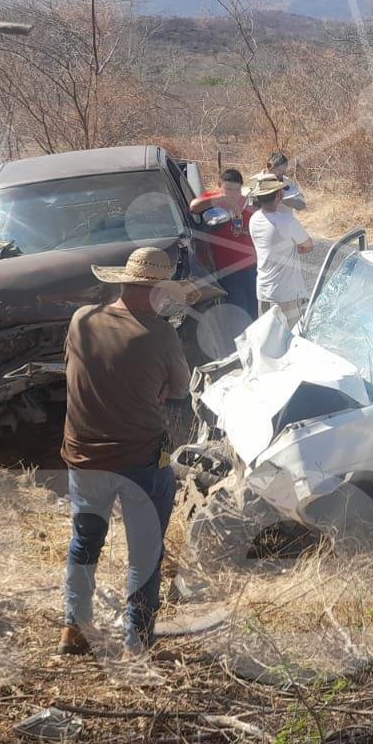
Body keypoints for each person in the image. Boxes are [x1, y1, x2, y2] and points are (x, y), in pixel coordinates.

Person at [58, 247, 191, 657]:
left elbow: (74, 367)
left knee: (85, 539)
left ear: (123, 281)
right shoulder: (161, 333)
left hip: (84, 456)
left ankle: (74, 627)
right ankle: (137, 637)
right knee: (146, 548)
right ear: (157, 291)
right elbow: (182, 388)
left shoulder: (83, 319)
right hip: (138, 458)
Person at [188, 168, 256, 318]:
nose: (232, 193)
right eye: (228, 189)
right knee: (239, 311)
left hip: (252, 267)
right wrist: (222, 199)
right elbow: (193, 206)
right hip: (228, 270)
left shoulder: (247, 202)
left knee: (255, 311)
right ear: (220, 185)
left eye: (236, 189)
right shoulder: (212, 199)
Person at [248, 174, 314, 327]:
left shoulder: (254, 219)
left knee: (268, 337)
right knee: (291, 339)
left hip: (264, 291)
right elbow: (308, 245)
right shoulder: (287, 221)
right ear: (279, 194)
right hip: (287, 294)